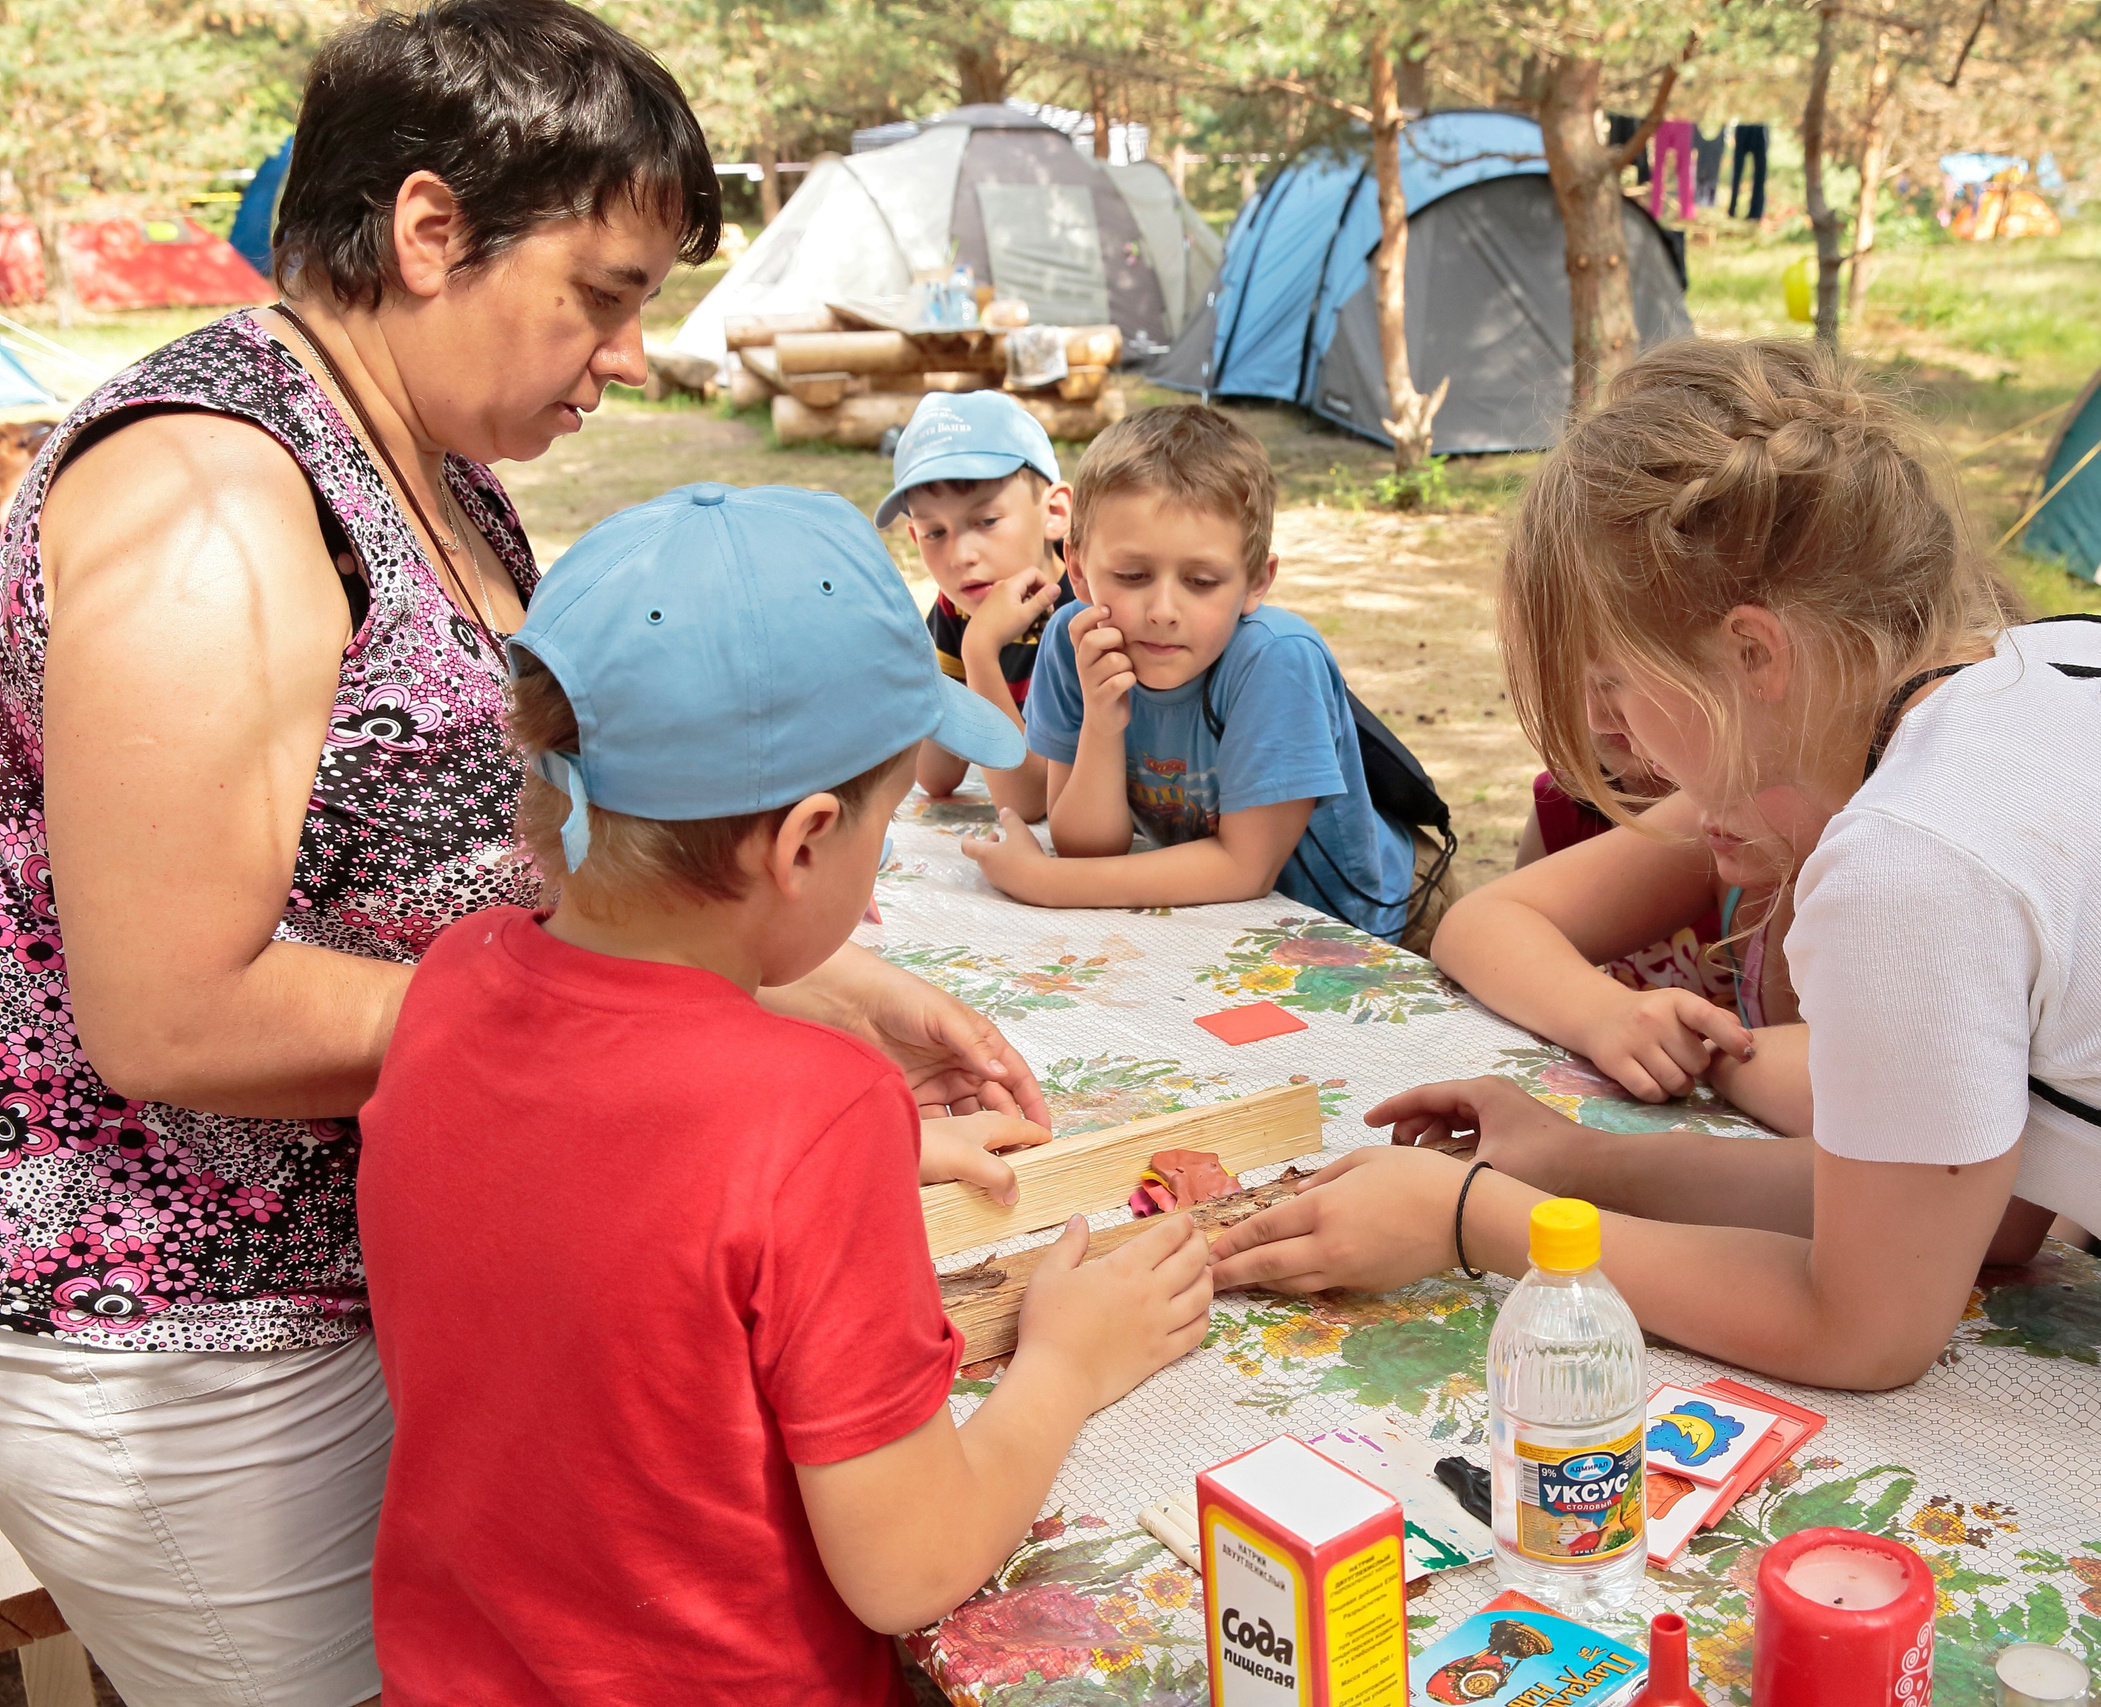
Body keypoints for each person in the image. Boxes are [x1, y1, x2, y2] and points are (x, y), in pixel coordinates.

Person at [0, 6, 1043, 1699]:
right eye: (606, 292)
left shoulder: (420, 445)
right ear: (429, 232)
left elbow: (544, 852)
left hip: (402, 1280)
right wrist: (681, 1066)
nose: (630, 354)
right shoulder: (212, 499)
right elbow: (174, 1014)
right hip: (204, 1359)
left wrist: (800, 972)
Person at [1208, 337, 2101, 1501]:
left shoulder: (1909, 851)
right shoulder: (2074, 664)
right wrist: (1576, 1163)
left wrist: (1473, 1221)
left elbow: (1863, 1321)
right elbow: (1979, 1208)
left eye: (1620, 679)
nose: (1615, 734)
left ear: (1753, 652)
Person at [358, 484, 1211, 1703]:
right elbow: (910, 1569)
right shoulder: (811, 1115)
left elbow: (606, 1181)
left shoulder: (451, 981)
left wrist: (841, 1168)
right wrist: (1068, 1363)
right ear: (806, 842)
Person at [963, 404, 1429, 944]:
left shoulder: (1276, 661)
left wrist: (1045, 882)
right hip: (1222, 926)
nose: (1163, 609)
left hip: (1374, 925)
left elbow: (1243, 870)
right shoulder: (1078, 642)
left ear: (1257, 580)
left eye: (1202, 581)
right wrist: (1102, 721)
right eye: (1133, 575)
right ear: (1078, 568)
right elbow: (1088, 847)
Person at [1440, 786, 1800, 1121]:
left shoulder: (1745, 798)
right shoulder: (1726, 802)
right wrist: (1605, 1010)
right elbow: (1476, 921)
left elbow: (1841, 1090)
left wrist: (1709, 1057)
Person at [875, 390, 1073, 821]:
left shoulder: (1083, 612)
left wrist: (980, 652)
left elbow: (1028, 802)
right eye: (935, 532)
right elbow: (936, 775)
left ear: (1054, 512)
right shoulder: (954, 610)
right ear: (914, 538)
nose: (961, 555)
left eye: (986, 521)